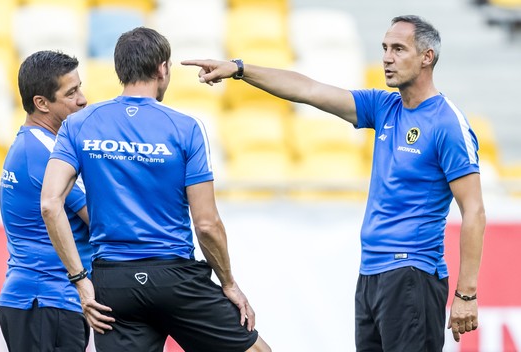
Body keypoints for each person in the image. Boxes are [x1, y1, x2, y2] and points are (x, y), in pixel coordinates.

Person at [182, 15, 486, 351]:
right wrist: (240, 69)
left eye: (398, 49)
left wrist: (466, 294)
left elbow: (473, 211)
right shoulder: (385, 106)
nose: (386, 57)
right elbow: (309, 89)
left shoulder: (447, 123)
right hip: (372, 274)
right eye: (385, 48)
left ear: (427, 57)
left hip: (413, 273)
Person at [40, 27, 271, 352]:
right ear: (163, 68)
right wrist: (229, 283)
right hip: (174, 277)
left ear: (120, 70)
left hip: (112, 283)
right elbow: (206, 224)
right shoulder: (185, 127)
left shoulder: (78, 125)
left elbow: (50, 204)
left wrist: (80, 282)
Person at [0, 50, 92, 351]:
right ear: (41, 103)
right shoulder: (46, 154)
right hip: (47, 301)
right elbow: (100, 217)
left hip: (43, 301)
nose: (83, 99)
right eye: (71, 93)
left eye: (80, 88)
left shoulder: (35, 145)